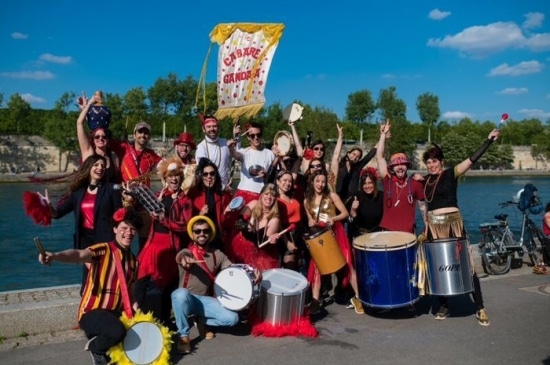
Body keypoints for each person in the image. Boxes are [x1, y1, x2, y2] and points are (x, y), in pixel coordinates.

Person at [38, 208, 143, 365]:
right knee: (117, 331)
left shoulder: (133, 261)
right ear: (115, 229)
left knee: (134, 340)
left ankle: (105, 348)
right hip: (92, 312)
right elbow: (78, 255)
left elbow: (131, 292)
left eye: (132, 229)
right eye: (124, 228)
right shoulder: (102, 249)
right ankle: (96, 347)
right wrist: (54, 256)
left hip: (115, 314)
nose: (129, 232)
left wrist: (139, 312)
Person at [421, 128, 500, 326]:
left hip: (453, 225)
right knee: (438, 267)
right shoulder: (424, 181)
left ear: (441, 161)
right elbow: (425, 205)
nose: (431, 165)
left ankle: (480, 306)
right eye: (428, 162)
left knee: (466, 265)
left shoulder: (451, 173)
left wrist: (488, 141)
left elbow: (471, 159)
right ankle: (444, 305)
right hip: (434, 227)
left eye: (434, 161)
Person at [171, 216, 261, 354]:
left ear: (210, 233)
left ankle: (202, 321)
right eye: (198, 231)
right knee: (179, 294)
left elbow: (234, 269)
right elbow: (181, 256)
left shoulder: (217, 254)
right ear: (192, 234)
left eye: (205, 231)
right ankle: (184, 336)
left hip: (205, 300)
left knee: (233, 319)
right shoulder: (187, 251)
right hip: (188, 299)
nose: (202, 234)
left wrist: (253, 271)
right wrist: (184, 259)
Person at [36, 155, 123, 294]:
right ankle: (87, 304)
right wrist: (48, 207)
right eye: (96, 165)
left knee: (107, 275)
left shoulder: (111, 189)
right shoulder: (78, 193)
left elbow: (120, 215)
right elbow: (58, 214)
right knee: (89, 280)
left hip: (106, 239)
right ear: (88, 168)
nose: (99, 168)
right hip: (85, 239)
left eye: (102, 166)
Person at [134, 156, 193, 325]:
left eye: (176, 176)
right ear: (165, 178)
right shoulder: (158, 195)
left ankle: (162, 320)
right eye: (170, 176)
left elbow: (185, 226)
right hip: (152, 243)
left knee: (162, 285)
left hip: (169, 245)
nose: (173, 179)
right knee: (141, 280)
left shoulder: (185, 200)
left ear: (181, 178)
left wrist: (163, 219)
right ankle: (140, 316)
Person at [303, 170, 363, 315]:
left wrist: (333, 219)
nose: (320, 184)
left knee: (347, 264)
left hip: (335, 233)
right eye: (317, 181)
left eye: (323, 181)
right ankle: (316, 300)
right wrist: (310, 220)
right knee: (317, 266)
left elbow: (345, 213)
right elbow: (309, 218)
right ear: (312, 182)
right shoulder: (307, 200)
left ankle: (360, 297)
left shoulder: (332, 196)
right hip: (320, 237)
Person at [111, 121, 162, 249]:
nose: (143, 135)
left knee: (145, 244)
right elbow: (104, 139)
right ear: (134, 135)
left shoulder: (151, 155)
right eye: (140, 132)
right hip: (125, 202)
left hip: (143, 205)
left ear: (149, 136)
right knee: (123, 240)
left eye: (146, 133)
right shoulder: (123, 148)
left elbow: (165, 168)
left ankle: (141, 267)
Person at [375, 121, 427, 233]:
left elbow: (422, 207)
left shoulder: (415, 183)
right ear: (392, 168)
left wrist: (427, 226)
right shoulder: (387, 180)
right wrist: (383, 135)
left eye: (402, 164)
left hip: (408, 233)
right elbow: (379, 157)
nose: (399, 167)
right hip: (388, 231)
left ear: (407, 166)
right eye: (396, 165)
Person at [227, 183, 282, 271]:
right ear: (261, 195)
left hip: (258, 255)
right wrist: (246, 226)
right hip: (241, 245)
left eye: (272, 195)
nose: (269, 197)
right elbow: (239, 222)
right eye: (266, 194)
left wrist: (271, 242)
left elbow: (264, 245)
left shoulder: (274, 219)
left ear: (275, 199)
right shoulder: (253, 203)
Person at [76, 91, 121, 183]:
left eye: (104, 136)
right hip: (94, 196)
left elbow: (116, 181)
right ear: (93, 139)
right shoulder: (89, 153)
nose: (100, 139)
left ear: (108, 138)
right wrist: (88, 105)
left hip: (110, 196)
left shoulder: (113, 157)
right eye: (97, 137)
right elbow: (79, 123)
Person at [187, 158, 232, 250]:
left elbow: (227, 223)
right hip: (200, 237)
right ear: (201, 176)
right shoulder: (194, 194)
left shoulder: (224, 196)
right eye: (205, 174)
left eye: (212, 173)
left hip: (217, 237)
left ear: (216, 175)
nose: (209, 176)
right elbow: (187, 219)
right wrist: (200, 214)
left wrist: (226, 213)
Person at [228, 121, 275, 204]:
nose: (256, 137)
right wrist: (231, 148)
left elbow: (272, 176)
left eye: (258, 135)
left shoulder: (270, 154)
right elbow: (236, 155)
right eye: (252, 136)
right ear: (248, 137)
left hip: (262, 194)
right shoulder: (245, 152)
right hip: (244, 192)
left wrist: (266, 175)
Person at [194, 115, 234, 192]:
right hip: (210, 190)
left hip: (226, 189)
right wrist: (223, 187)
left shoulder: (225, 142)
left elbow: (237, 155)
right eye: (208, 127)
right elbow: (204, 174)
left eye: (214, 126)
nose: (212, 129)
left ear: (218, 127)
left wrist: (237, 136)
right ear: (203, 129)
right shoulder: (200, 148)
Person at [348, 167, 384, 238]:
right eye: (364, 184)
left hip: (377, 235)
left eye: (370, 183)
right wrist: (353, 211)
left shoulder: (382, 196)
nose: (367, 186)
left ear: (375, 183)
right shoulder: (357, 196)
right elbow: (352, 224)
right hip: (360, 235)